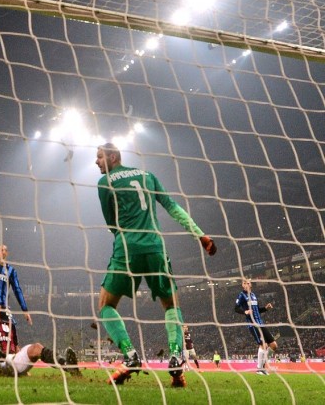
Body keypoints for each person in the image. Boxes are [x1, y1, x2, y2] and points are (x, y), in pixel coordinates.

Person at [94, 143, 216, 388]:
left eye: (99, 157)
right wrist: (200, 235)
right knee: (170, 304)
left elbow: (112, 225)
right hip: (155, 246)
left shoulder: (104, 184)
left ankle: (129, 356)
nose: (96, 162)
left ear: (113, 157)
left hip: (126, 248)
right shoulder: (148, 176)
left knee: (106, 304)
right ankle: (175, 357)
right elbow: (172, 207)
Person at [235, 278, 276, 375]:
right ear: (242, 285)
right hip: (252, 324)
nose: (246, 284)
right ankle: (259, 369)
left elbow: (257, 310)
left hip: (260, 323)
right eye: (244, 283)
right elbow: (236, 308)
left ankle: (262, 366)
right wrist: (245, 312)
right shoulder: (241, 295)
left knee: (274, 345)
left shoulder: (253, 295)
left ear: (251, 285)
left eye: (248, 283)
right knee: (263, 345)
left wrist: (265, 308)